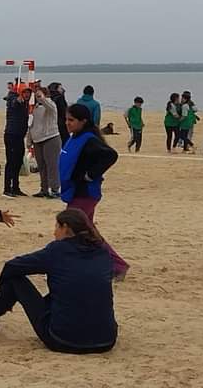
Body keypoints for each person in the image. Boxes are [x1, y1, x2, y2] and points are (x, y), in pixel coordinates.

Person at [0, 208, 118, 354]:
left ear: (65, 227)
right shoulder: (103, 251)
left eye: (56, 227)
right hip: (106, 339)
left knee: (14, 281)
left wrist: (5, 294)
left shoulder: (58, 250)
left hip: (62, 339)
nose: (54, 232)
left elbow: (12, 266)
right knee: (81, 288)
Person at [60, 104, 129, 279]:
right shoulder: (75, 137)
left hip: (86, 193)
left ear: (83, 121)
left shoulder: (89, 140)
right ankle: (114, 265)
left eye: (71, 120)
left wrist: (90, 175)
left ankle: (117, 265)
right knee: (87, 232)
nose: (67, 123)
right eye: (66, 119)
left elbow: (110, 155)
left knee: (69, 227)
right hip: (76, 191)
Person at [29, 87, 62, 197]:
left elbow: (49, 106)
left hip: (51, 137)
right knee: (41, 166)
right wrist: (29, 139)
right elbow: (31, 125)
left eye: (39, 95)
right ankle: (44, 189)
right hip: (37, 139)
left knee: (52, 165)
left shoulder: (51, 105)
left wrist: (42, 98)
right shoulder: (35, 108)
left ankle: (55, 189)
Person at [2, 86, 31, 198]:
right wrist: (17, 100)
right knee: (11, 162)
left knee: (19, 161)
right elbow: (13, 103)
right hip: (11, 134)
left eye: (28, 92)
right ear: (20, 93)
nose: (27, 94)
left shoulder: (25, 103)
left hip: (19, 136)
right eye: (25, 92)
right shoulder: (14, 100)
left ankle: (15, 187)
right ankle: (7, 188)